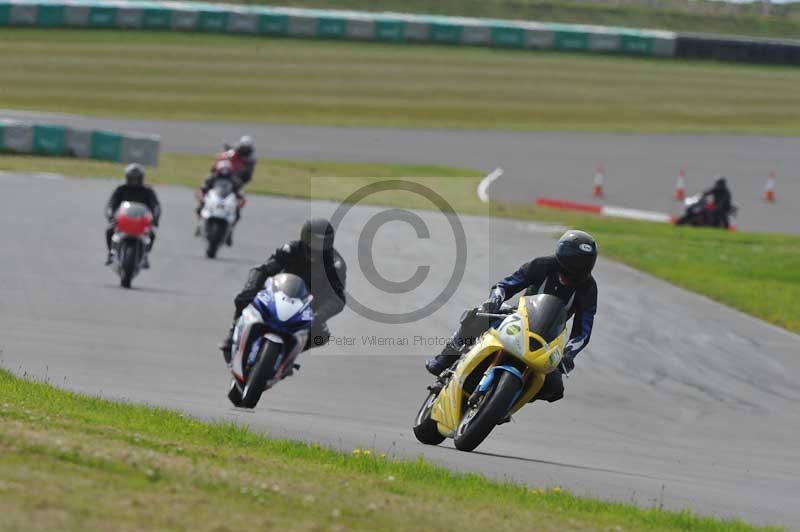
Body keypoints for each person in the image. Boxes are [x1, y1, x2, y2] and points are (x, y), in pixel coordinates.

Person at [425, 230, 598, 404]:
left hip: (549, 339)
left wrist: (568, 355)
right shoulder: (542, 265)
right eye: (571, 266)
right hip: (519, 318)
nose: (573, 273)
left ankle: (508, 402)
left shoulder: (588, 289)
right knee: (477, 316)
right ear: (561, 259)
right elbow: (505, 285)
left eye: (582, 267)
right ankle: (446, 358)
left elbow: (583, 331)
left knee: (554, 389)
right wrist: (493, 301)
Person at [219, 218, 347, 365]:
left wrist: (319, 315)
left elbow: (338, 297)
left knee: (321, 336)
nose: (318, 247)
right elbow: (263, 270)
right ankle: (233, 332)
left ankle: (288, 356)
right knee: (244, 298)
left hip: (308, 307)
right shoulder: (291, 249)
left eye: (323, 243)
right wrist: (251, 287)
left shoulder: (335, 264)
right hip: (279, 293)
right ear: (305, 237)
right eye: (314, 241)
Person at [104, 163, 161, 267]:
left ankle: (145, 256)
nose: (134, 181)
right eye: (132, 178)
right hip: (123, 220)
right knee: (109, 230)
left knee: (151, 234)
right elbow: (111, 204)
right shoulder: (121, 189)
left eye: (137, 178)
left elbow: (156, 206)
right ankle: (111, 253)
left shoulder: (148, 191)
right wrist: (111, 216)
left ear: (141, 178)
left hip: (141, 222)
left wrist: (155, 219)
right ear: (127, 177)